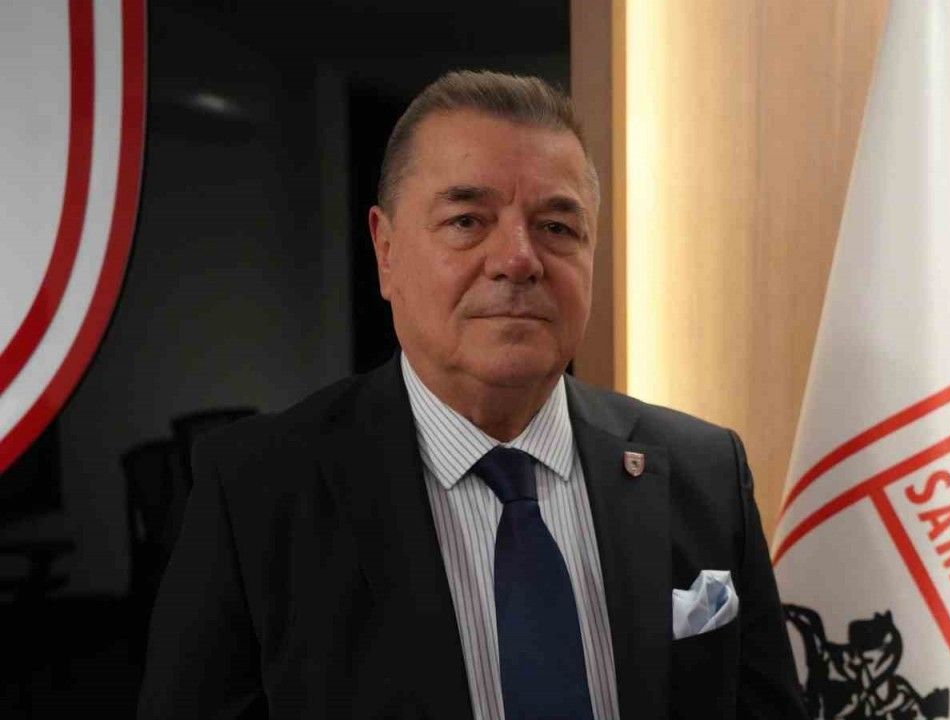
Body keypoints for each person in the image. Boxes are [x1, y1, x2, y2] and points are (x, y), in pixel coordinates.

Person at [138, 70, 806, 720]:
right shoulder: (255, 493)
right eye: (466, 221)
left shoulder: (704, 474)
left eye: (557, 227)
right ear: (386, 251)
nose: (518, 259)